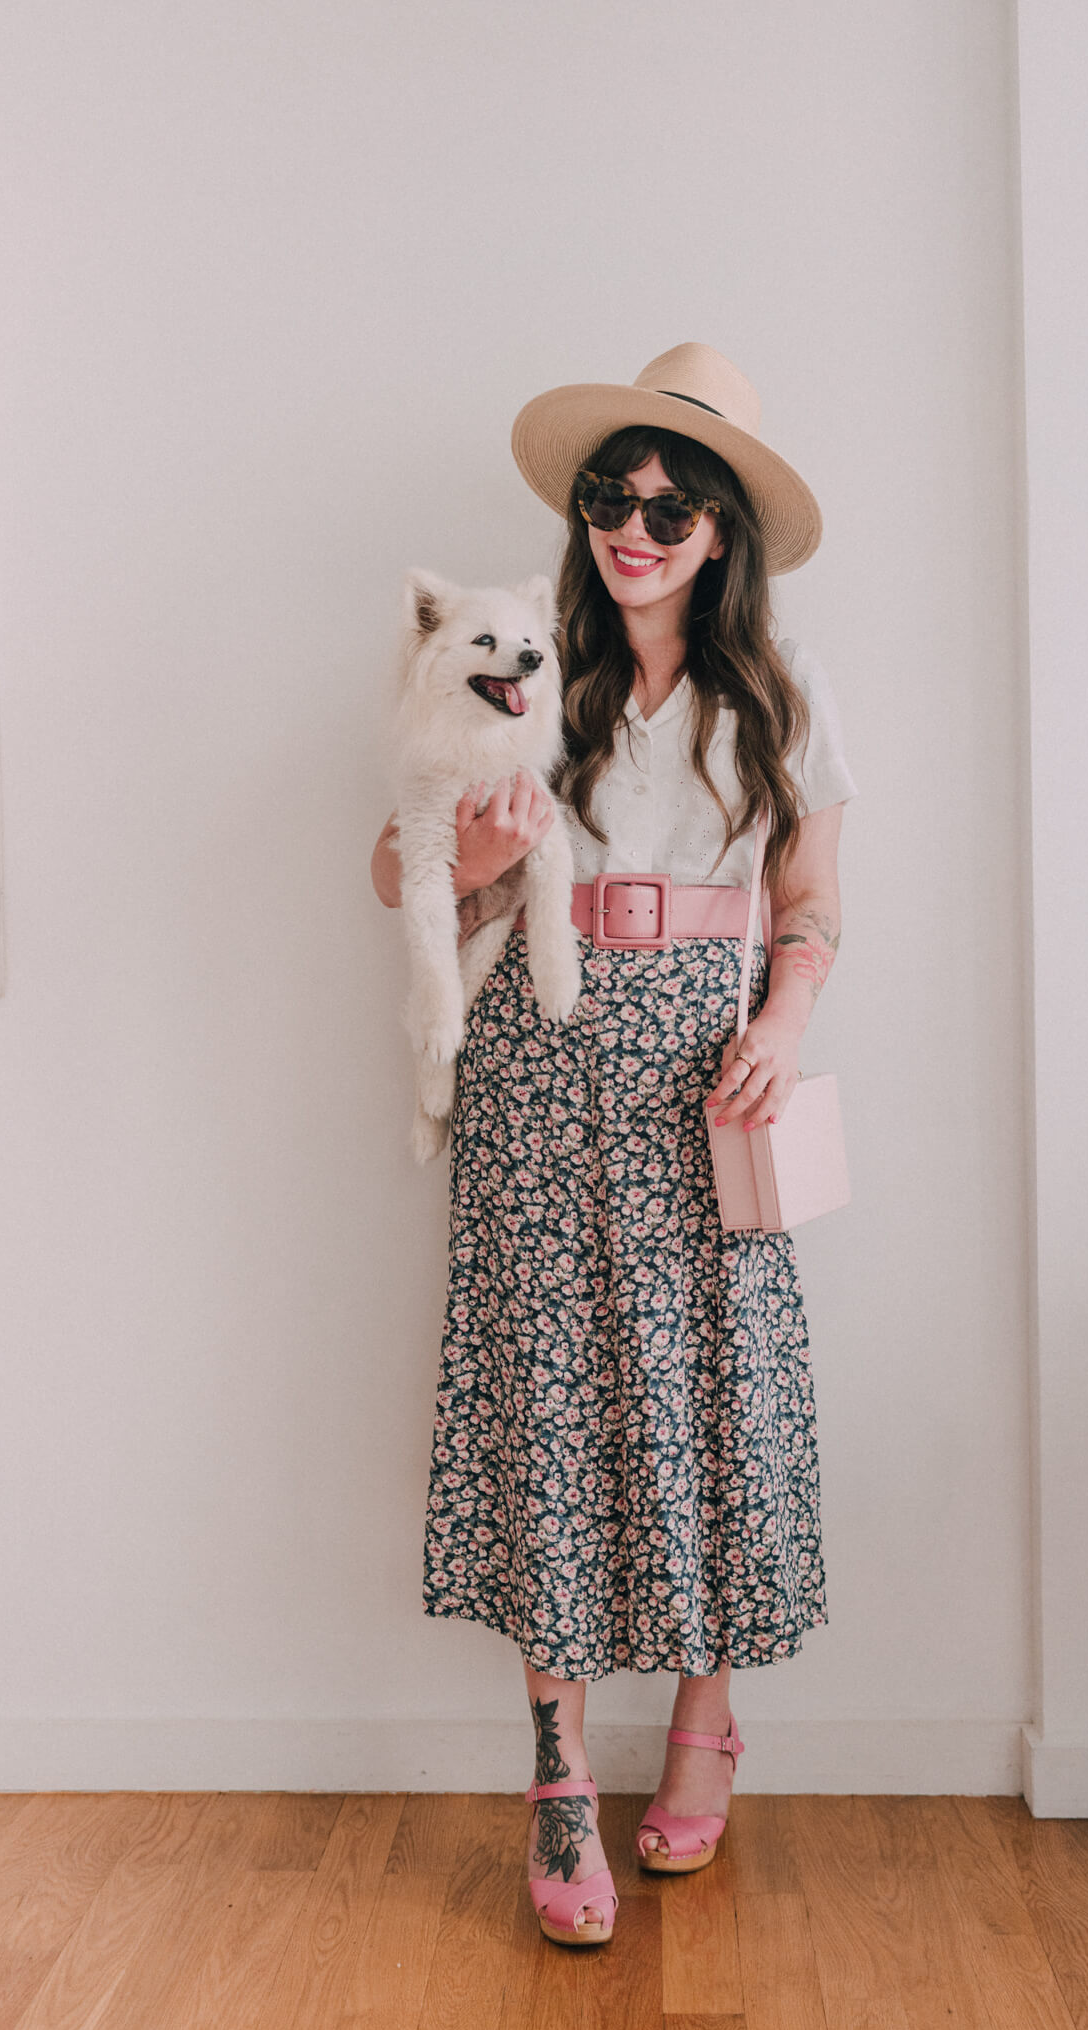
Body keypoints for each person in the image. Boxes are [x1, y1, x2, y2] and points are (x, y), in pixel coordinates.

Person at [370, 344, 858, 1945]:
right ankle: (560, 1773)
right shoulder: (517, 661)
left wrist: (784, 1028)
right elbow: (398, 870)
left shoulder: (778, 703)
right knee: (547, 1397)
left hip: (707, 1081)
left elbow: (811, 908)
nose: (633, 527)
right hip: (539, 1070)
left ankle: (707, 1723)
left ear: (723, 532)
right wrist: (487, 860)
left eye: (671, 505)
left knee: (723, 1385)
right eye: (611, 497)